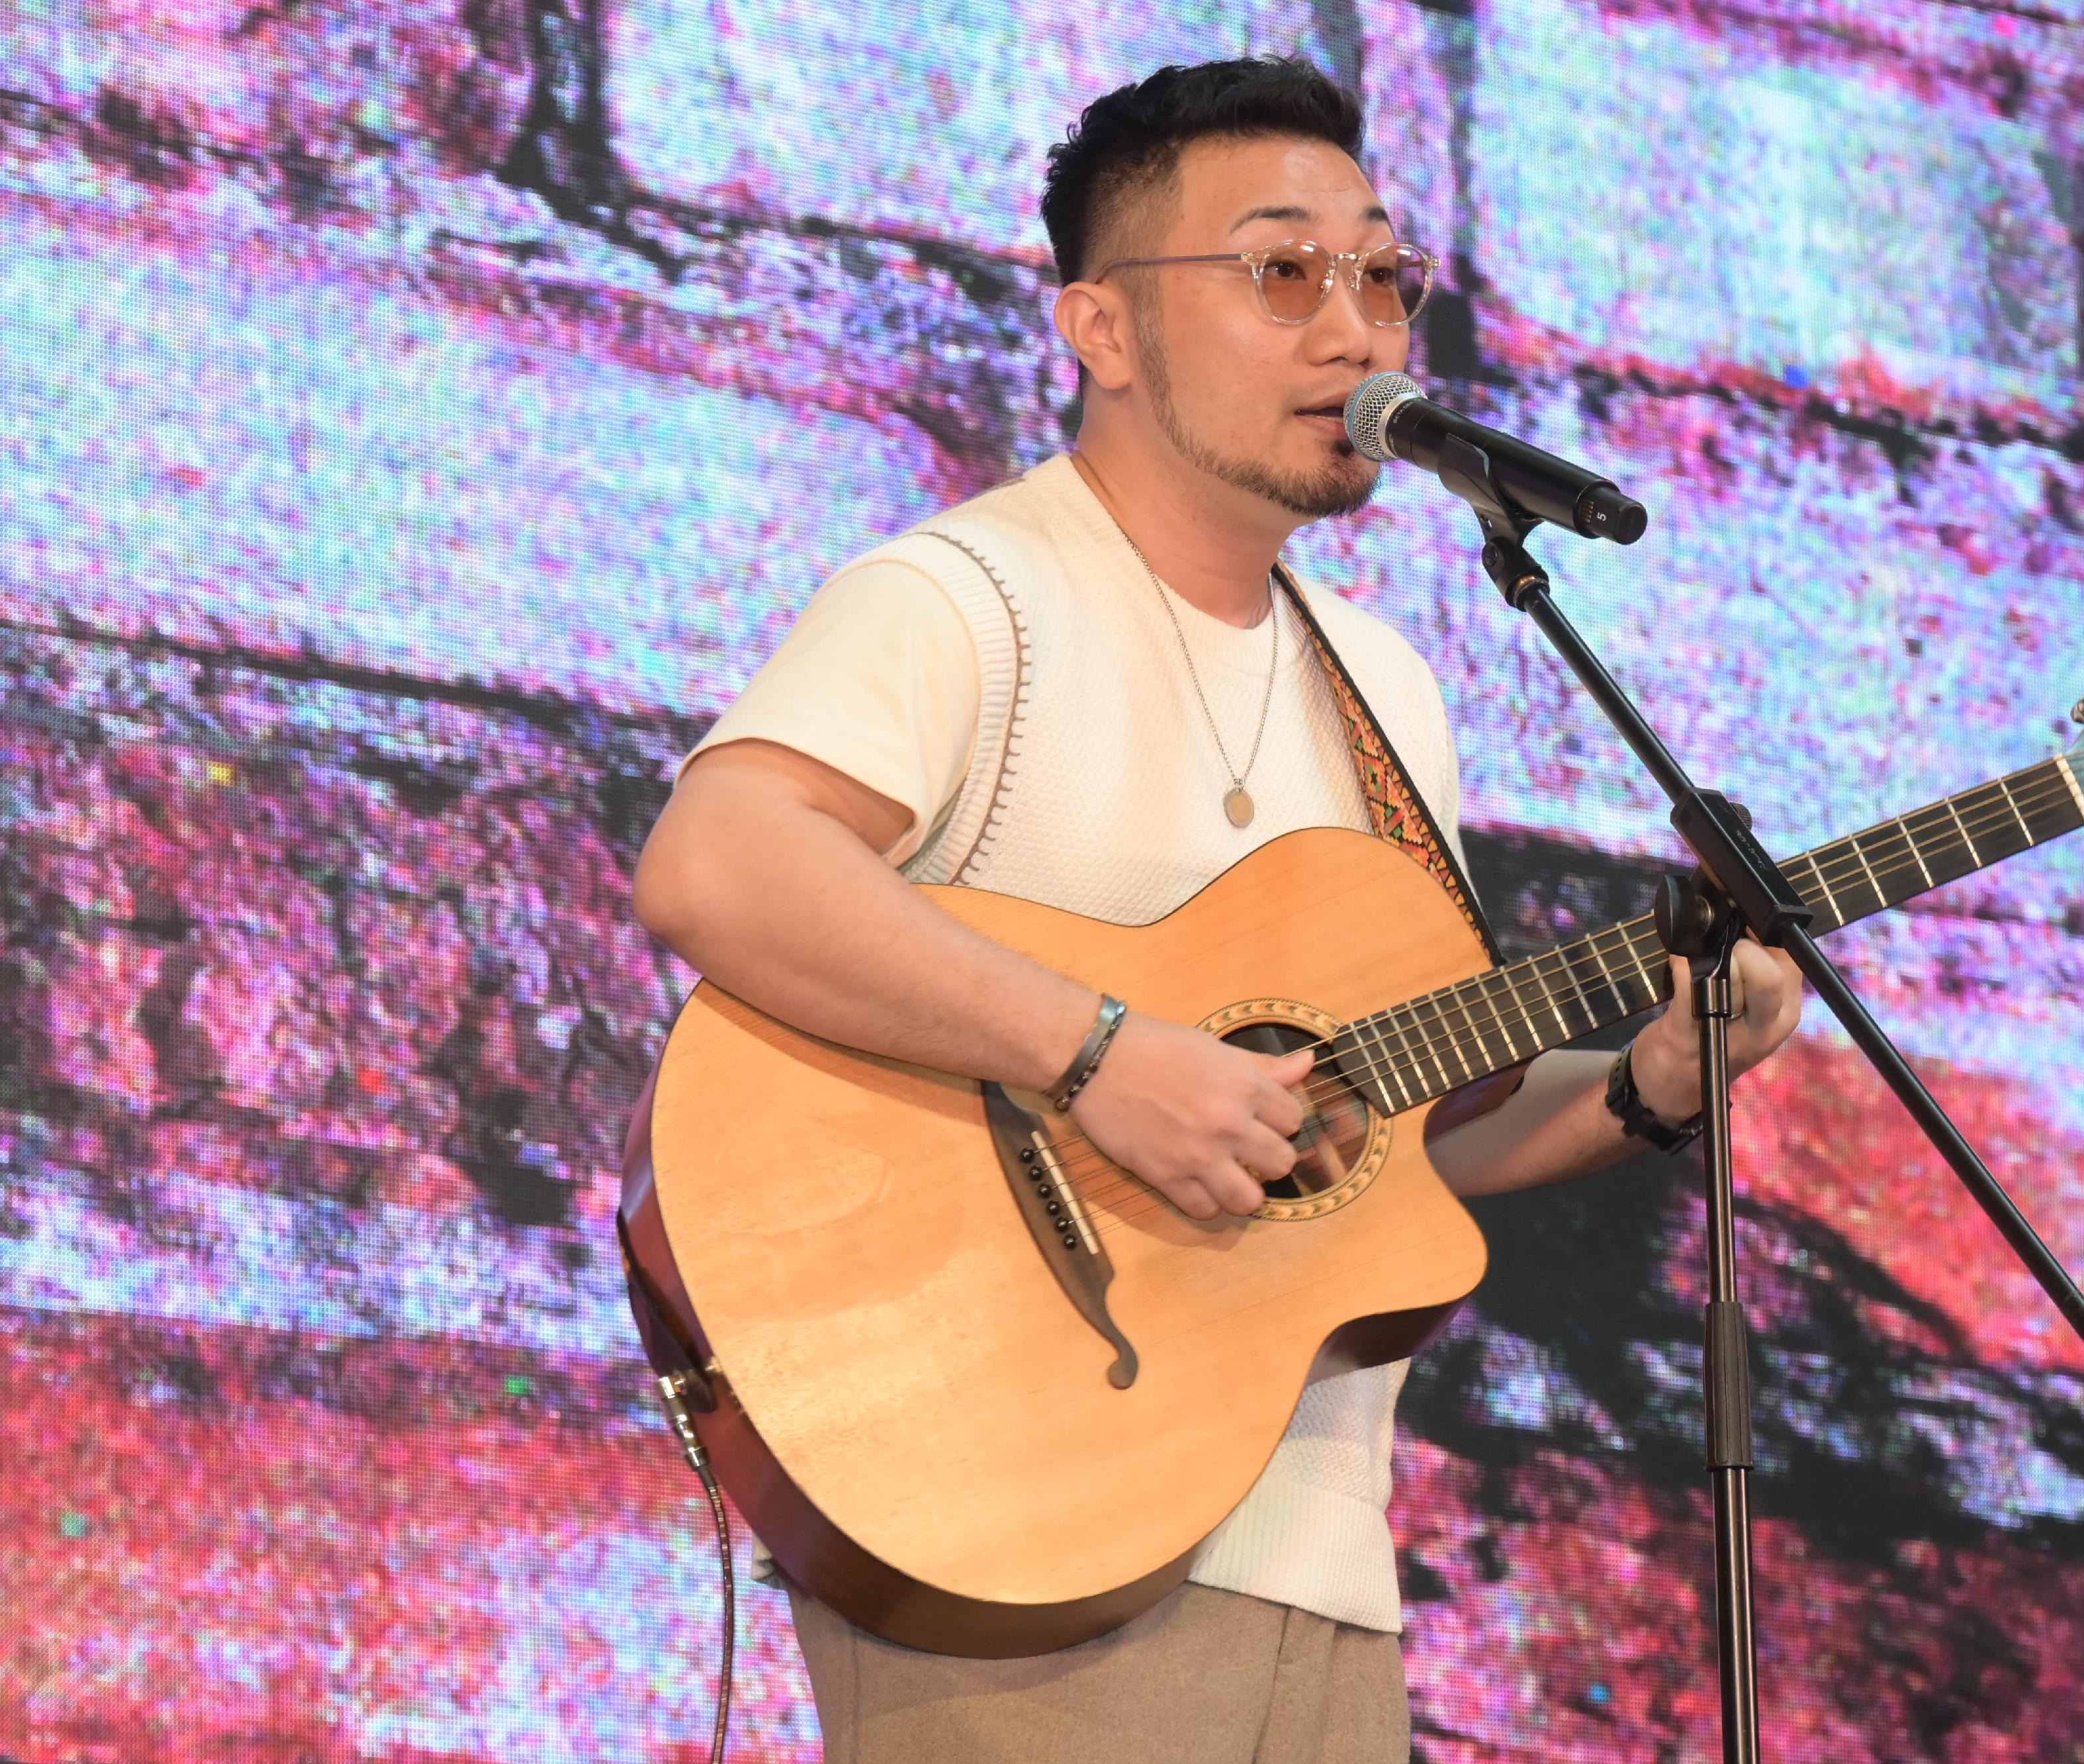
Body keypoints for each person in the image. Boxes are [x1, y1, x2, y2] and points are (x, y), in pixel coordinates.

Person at [631, 54, 1805, 1764]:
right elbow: (718, 859)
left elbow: (1378, 1155)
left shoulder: (1387, 690)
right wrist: (1098, 1052)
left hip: (1324, 1574)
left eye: (1381, 275)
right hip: (1018, 1528)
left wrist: (1654, 1086)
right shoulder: (971, 599)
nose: (1355, 331)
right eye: (1280, 270)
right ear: (1100, 329)